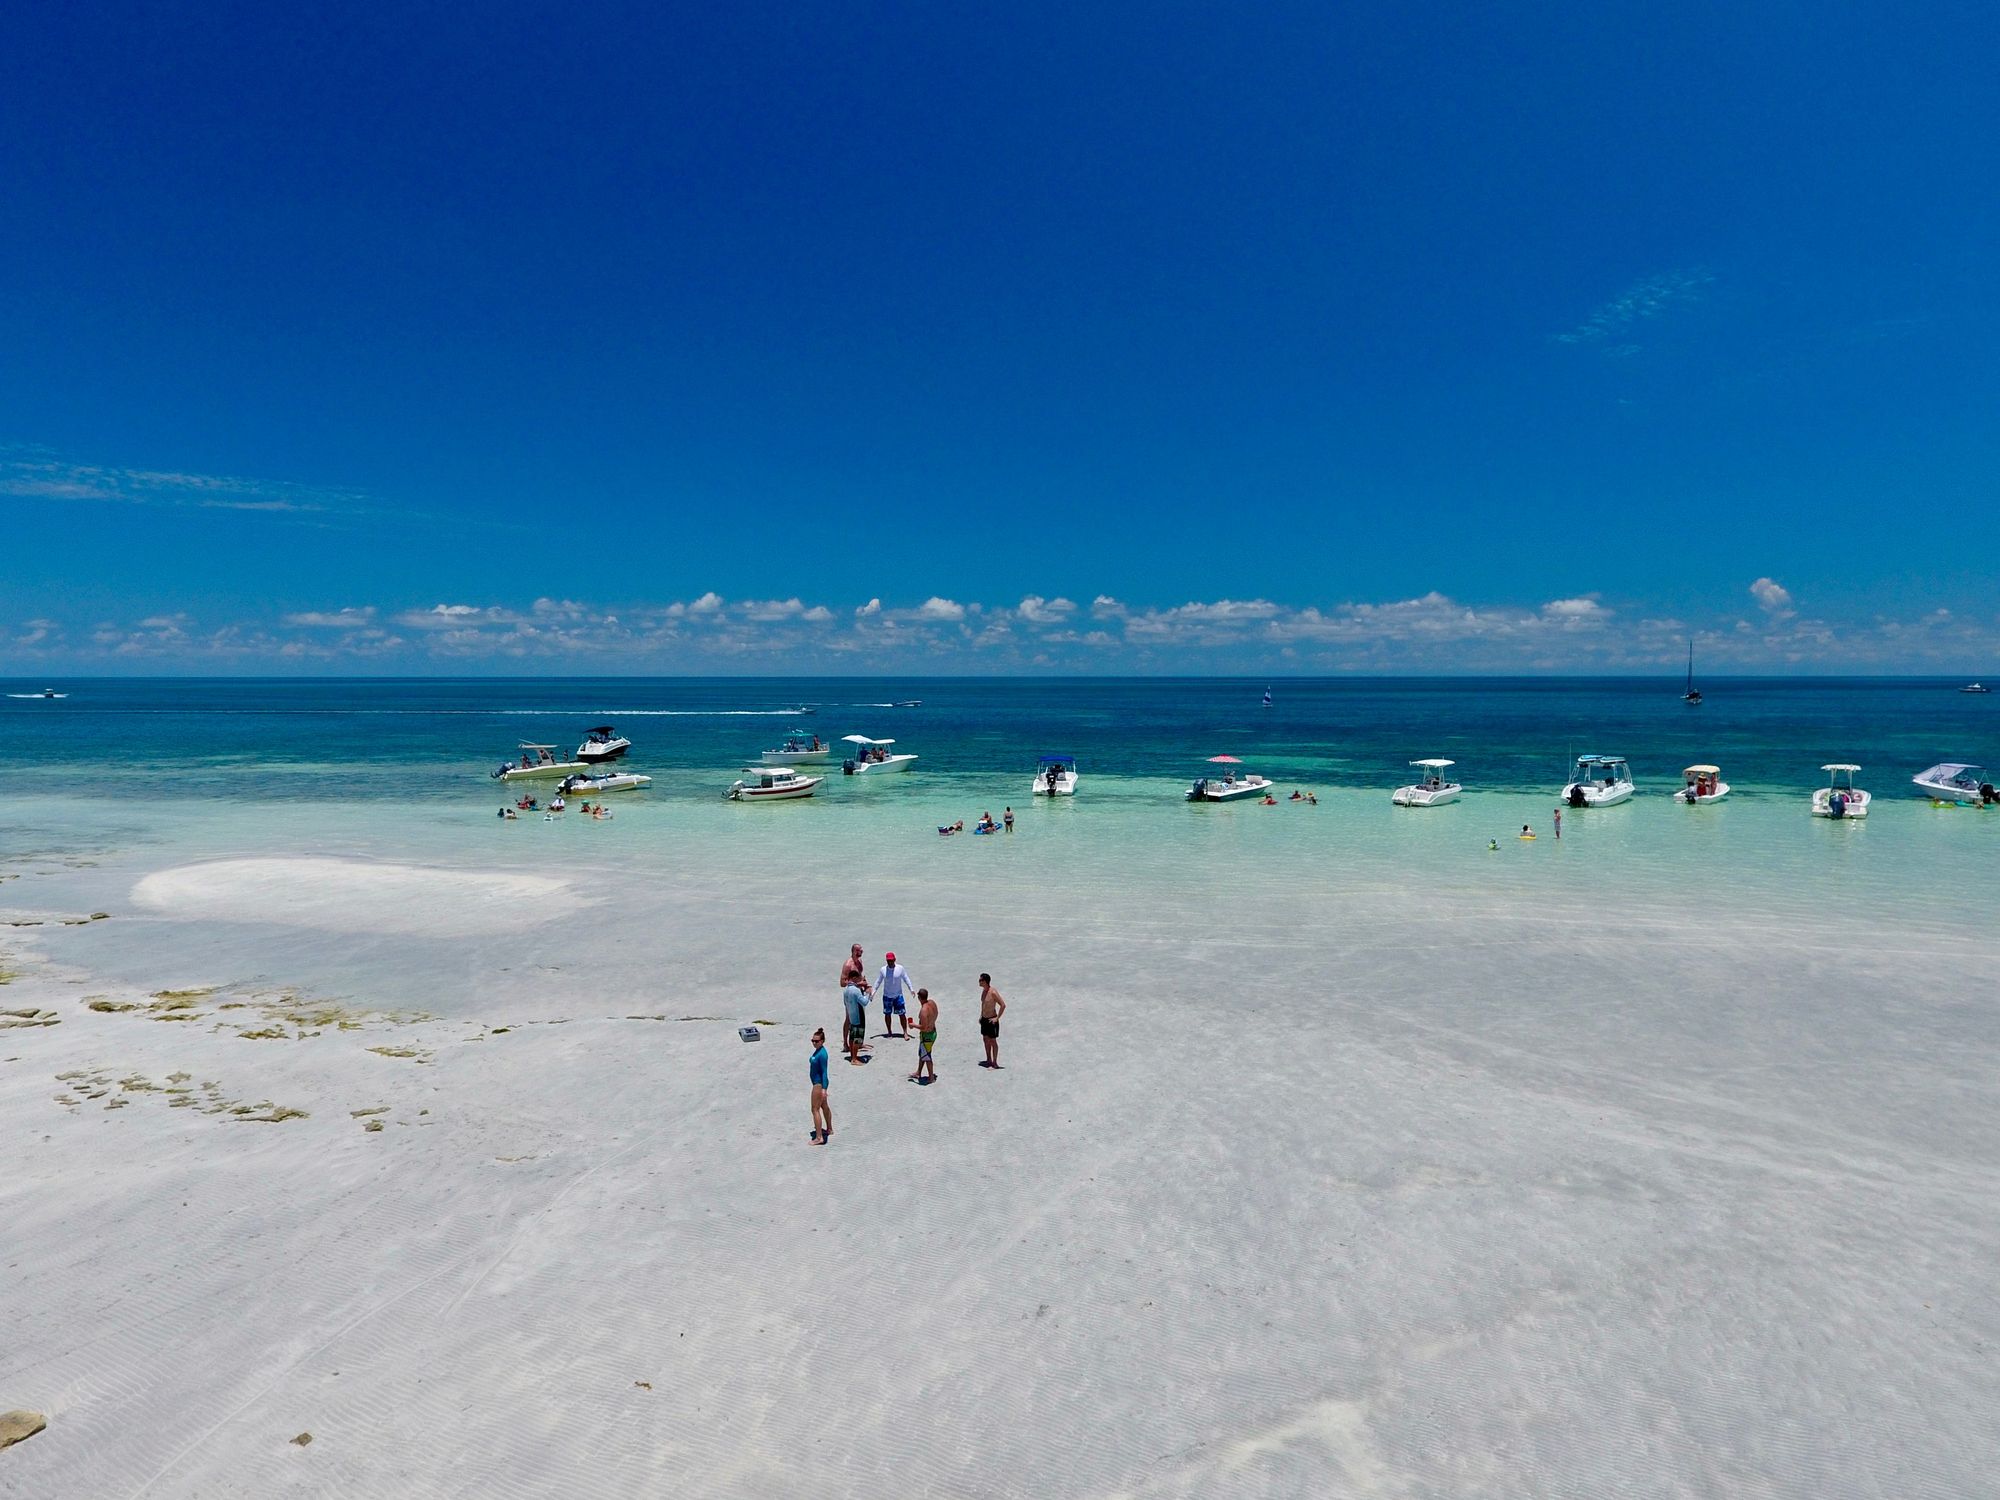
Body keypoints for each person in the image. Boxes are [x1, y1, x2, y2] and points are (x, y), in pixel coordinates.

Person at [878, 951, 914, 1037]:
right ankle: (889, 1031)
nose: (890, 962)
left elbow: (906, 978)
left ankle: (905, 1032)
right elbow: (878, 981)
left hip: (898, 996)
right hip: (887, 996)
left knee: (902, 1014)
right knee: (887, 1014)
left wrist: (911, 989)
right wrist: (873, 992)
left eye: (891, 960)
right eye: (888, 961)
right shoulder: (883, 969)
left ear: (894, 960)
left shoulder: (900, 968)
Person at [909, 988, 938, 1083]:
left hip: (927, 1036)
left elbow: (924, 1027)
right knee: (922, 1054)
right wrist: (931, 1022)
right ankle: (918, 1072)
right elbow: (936, 1014)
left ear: (919, 998)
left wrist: (913, 1025)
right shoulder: (932, 1003)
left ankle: (931, 1078)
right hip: (933, 1032)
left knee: (927, 1057)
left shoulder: (923, 1010)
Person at [977, 972, 1006, 1069]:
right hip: (984, 1019)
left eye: (980, 980)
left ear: (985, 981)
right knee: (985, 1039)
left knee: (993, 1041)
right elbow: (983, 1005)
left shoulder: (993, 992)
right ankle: (988, 1059)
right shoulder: (984, 991)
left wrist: (997, 1018)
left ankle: (995, 1062)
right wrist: (981, 1016)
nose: (979, 982)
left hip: (991, 1020)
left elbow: (1003, 1005)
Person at [809, 1028, 832, 1144]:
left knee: (815, 1109)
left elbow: (824, 1072)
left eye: (816, 1041)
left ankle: (819, 1137)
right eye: (812, 1041)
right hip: (818, 1083)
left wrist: (823, 1089)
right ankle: (829, 1128)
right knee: (824, 1106)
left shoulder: (822, 1054)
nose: (814, 1043)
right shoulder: (818, 1051)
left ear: (822, 1041)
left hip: (818, 1084)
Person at [842, 981, 869, 1064]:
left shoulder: (846, 990)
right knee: (858, 1037)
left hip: (851, 1014)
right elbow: (864, 1002)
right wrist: (868, 993)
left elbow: (845, 1003)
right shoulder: (856, 990)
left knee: (852, 1036)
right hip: (858, 1015)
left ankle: (852, 1056)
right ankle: (854, 1059)